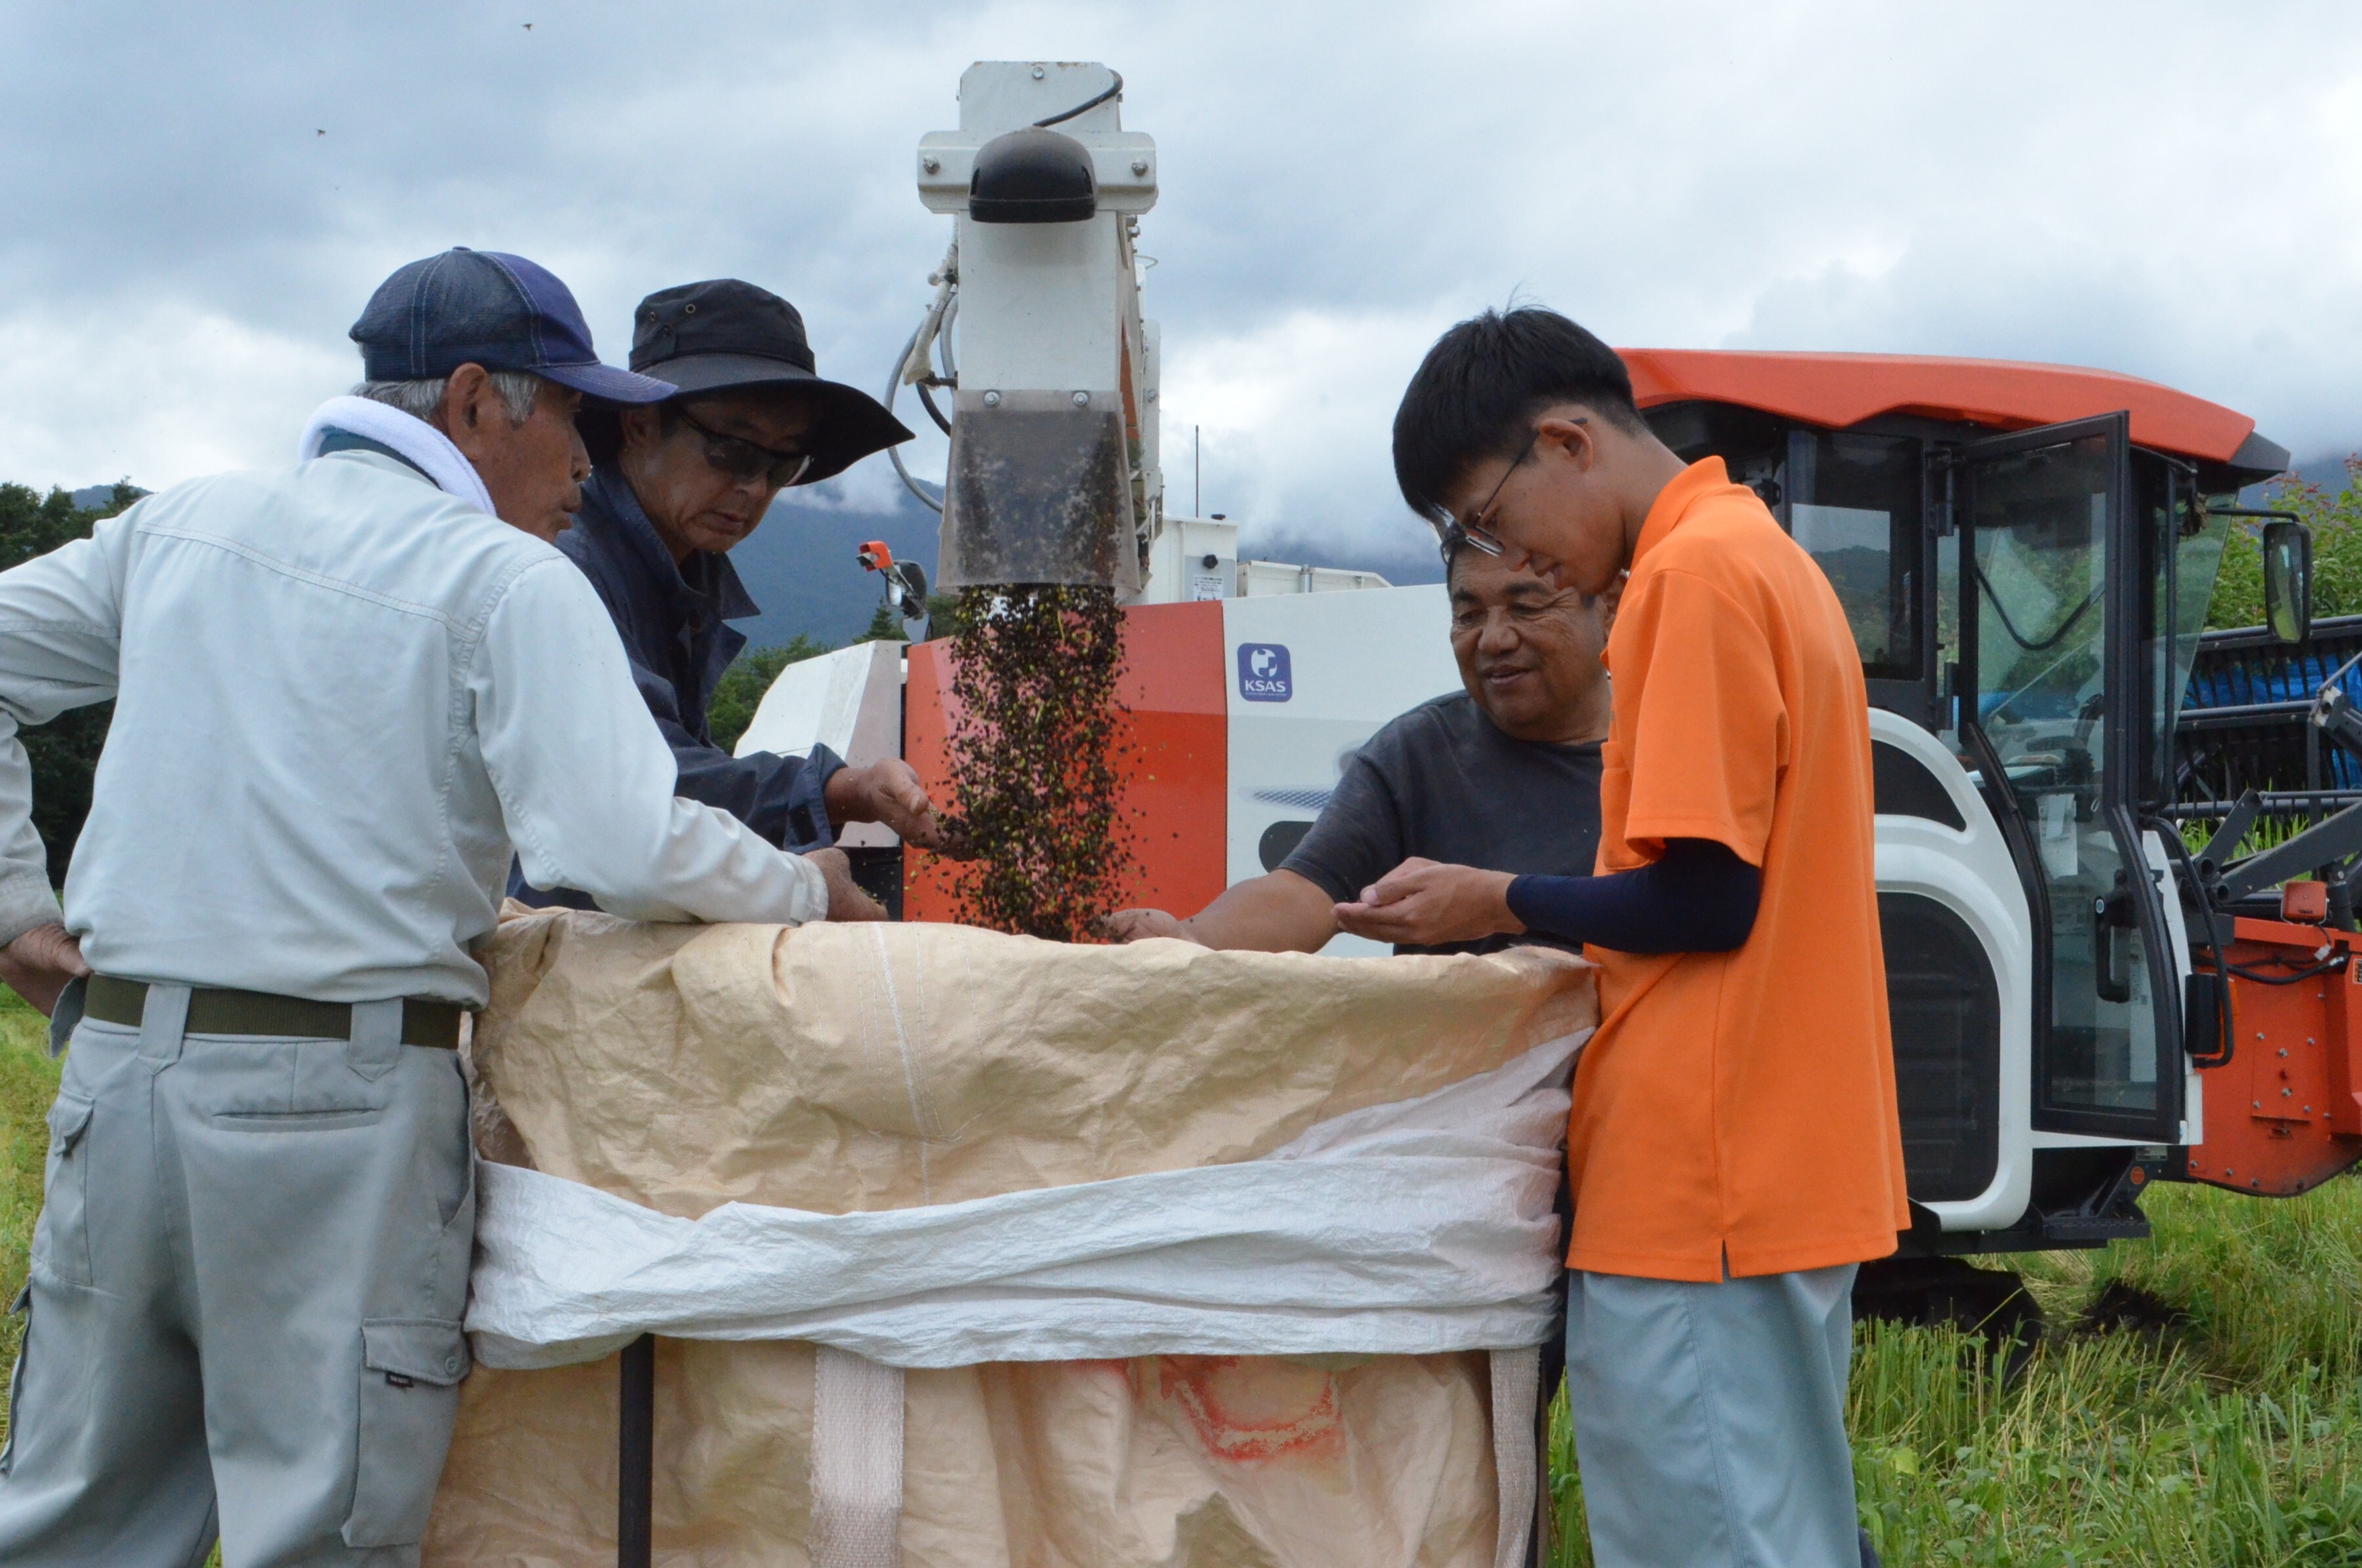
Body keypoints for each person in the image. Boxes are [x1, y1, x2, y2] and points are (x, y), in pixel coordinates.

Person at [0, 247, 881, 1568]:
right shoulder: (507, 578)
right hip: (334, 1110)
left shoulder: (182, 523)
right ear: (477, 404)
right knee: (327, 1527)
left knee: (78, 1525)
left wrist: (17, 906)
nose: (586, 463)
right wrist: (800, 886)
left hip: (120, 1080)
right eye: (573, 418)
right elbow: (616, 840)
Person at [1352, 308, 1907, 1568]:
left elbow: (1706, 900)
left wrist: (1500, 899)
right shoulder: (1756, 553)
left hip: (1700, 1180)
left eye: (1490, 522)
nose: (1507, 559)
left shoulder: (1691, 580)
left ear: (1566, 440)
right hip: (1769, 1166)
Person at [509, 277, 944, 912]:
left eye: (781, 466)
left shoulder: (683, 568)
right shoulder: (568, 569)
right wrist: (839, 791)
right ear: (638, 424)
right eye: (732, 451)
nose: (754, 488)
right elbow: (653, 780)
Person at [1098, 544, 1609, 954]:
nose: (1494, 638)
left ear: (1609, 605)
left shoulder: (1667, 749)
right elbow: (1307, 891)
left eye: (1527, 607)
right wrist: (1192, 940)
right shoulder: (1421, 752)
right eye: (1469, 614)